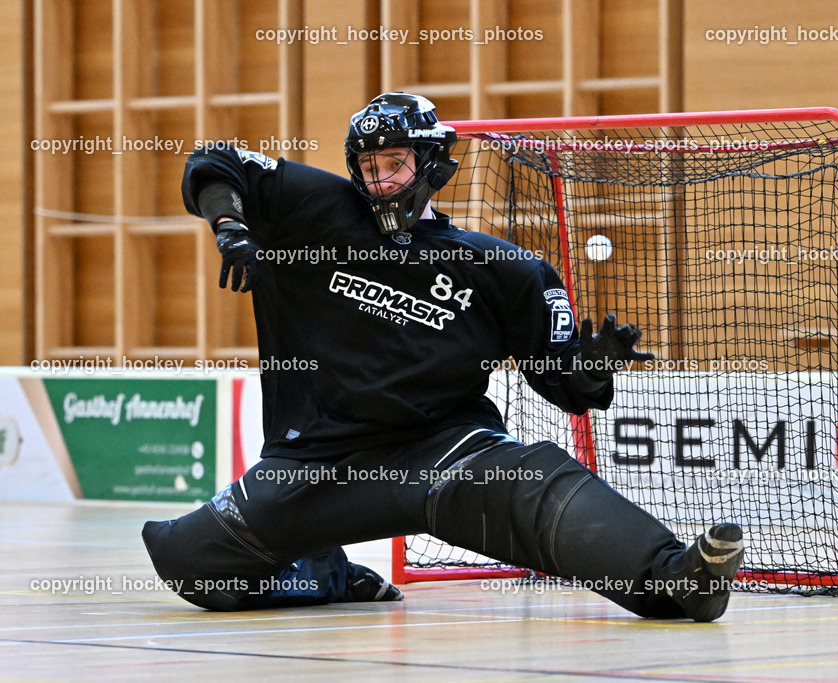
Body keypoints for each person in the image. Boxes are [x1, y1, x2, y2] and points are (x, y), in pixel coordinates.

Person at [142, 92, 744, 621]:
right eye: (369, 166)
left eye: (394, 163)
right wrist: (230, 227)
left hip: (448, 457)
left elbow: (567, 389)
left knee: (533, 479)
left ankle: (679, 581)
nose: (380, 180)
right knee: (187, 560)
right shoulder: (315, 211)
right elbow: (213, 160)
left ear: (432, 164)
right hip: (315, 464)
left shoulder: (504, 268)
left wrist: (589, 367)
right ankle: (329, 574)